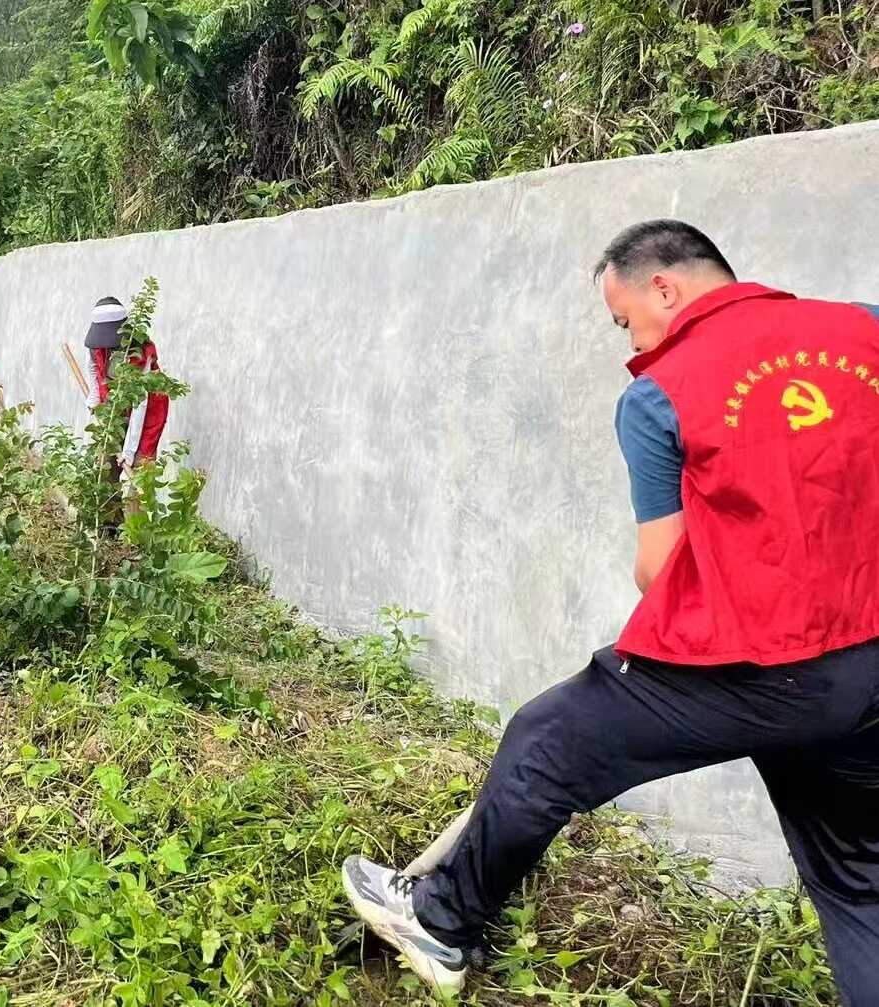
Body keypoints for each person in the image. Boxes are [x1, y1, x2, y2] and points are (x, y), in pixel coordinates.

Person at [340, 220, 879, 1000]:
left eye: (624, 319)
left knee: (547, 738)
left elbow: (660, 569)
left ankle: (442, 917)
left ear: (665, 286)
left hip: (769, 662)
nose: (629, 337)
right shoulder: (862, 326)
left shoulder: (662, 393)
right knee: (860, 878)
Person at [84, 295, 170, 471]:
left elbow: (140, 403)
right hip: (115, 400)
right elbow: (92, 366)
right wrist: (94, 397)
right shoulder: (96, 343)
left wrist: (129, 451)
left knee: (141, 466)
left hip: (147, 407)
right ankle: (110, 497)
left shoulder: (140, 352)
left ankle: (136, 496)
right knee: (105, 459)